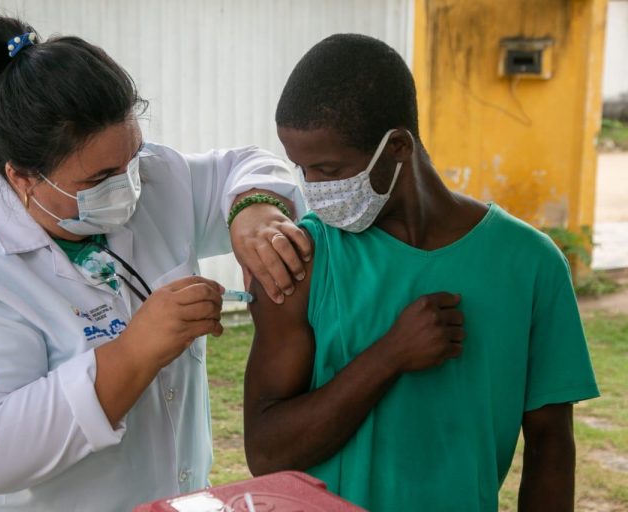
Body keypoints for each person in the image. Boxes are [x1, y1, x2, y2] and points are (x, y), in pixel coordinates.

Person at [0, 16, 310, 511]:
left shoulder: (154, 181)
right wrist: (132, 353)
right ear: (22, 178)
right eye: (99, 177)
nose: (128, 186)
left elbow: (247, 165)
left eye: (132, 159)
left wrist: (253, 209)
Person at [243, 33, 599, 512]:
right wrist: (388, 356)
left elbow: (551, 445)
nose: (313, 189)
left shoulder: (530, 263)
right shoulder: (304, 258)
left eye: (327, 169)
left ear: (396, 148)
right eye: (301, 169)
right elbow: (266, 452)